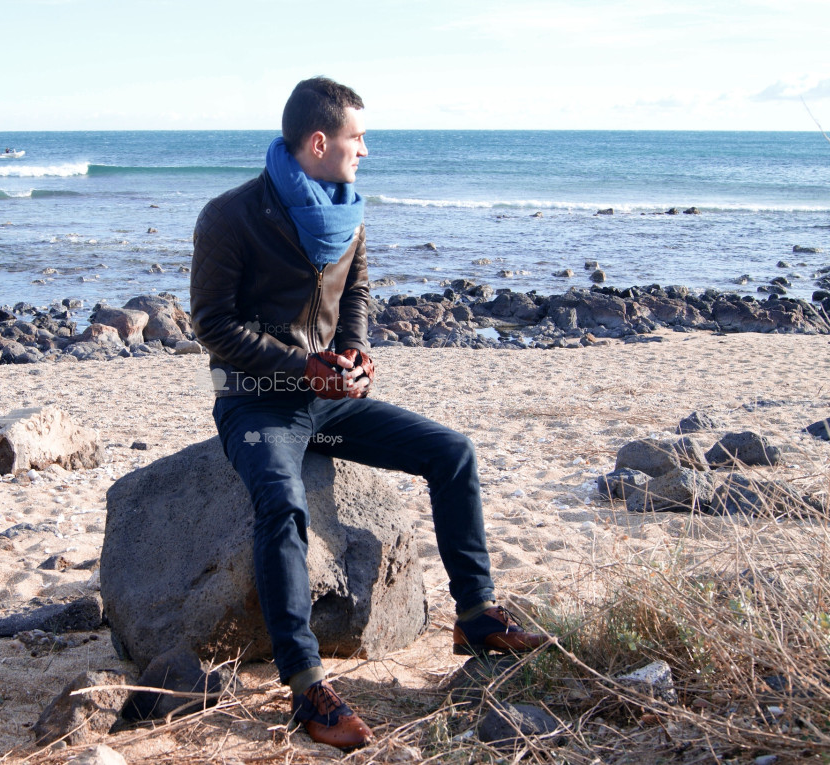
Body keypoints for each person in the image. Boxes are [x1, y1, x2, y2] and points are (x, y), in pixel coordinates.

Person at [190, 76, 552, 750]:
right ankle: (306, 685)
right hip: (255, 401)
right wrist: (303, 367)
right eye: (357, 138)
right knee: (282, 503)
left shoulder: (345, 211)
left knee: (452, 452)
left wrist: (354, 351)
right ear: (319, 142)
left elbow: (355, 291)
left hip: (329, 399)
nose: (365, 150)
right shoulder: (230, 215)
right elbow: (212, 324)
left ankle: (475, 615)